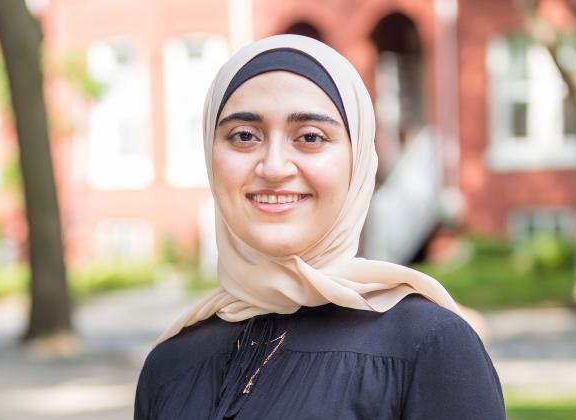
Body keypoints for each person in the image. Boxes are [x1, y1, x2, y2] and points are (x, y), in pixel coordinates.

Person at [134, 34, 506, 420]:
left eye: (310, 137)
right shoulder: (170, 364)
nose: (274, 167)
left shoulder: (428, 346)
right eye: (244, 136)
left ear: (357, 160)